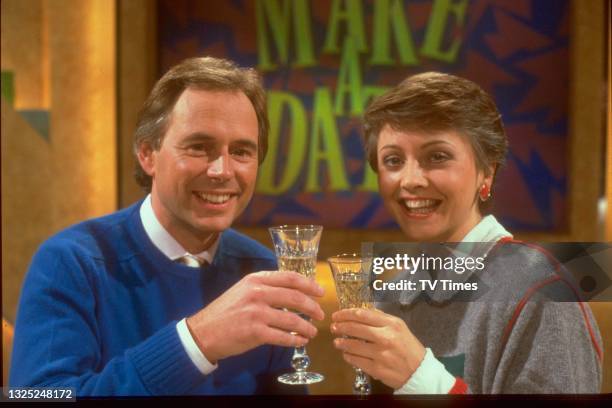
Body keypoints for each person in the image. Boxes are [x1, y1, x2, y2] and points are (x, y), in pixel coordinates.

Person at [10, 57, 325, 396]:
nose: (222, 170)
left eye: (241, 151)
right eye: (199, 147)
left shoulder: (264, 272)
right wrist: (196, 341)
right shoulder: (71, 263)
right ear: (148, 154)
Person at [330, 72, 603, 394]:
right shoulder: (390, 297)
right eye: (393, 160)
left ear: (486, 171)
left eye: (437, 156)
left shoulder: (546, 289)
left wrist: (422, 380)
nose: (410, 180)